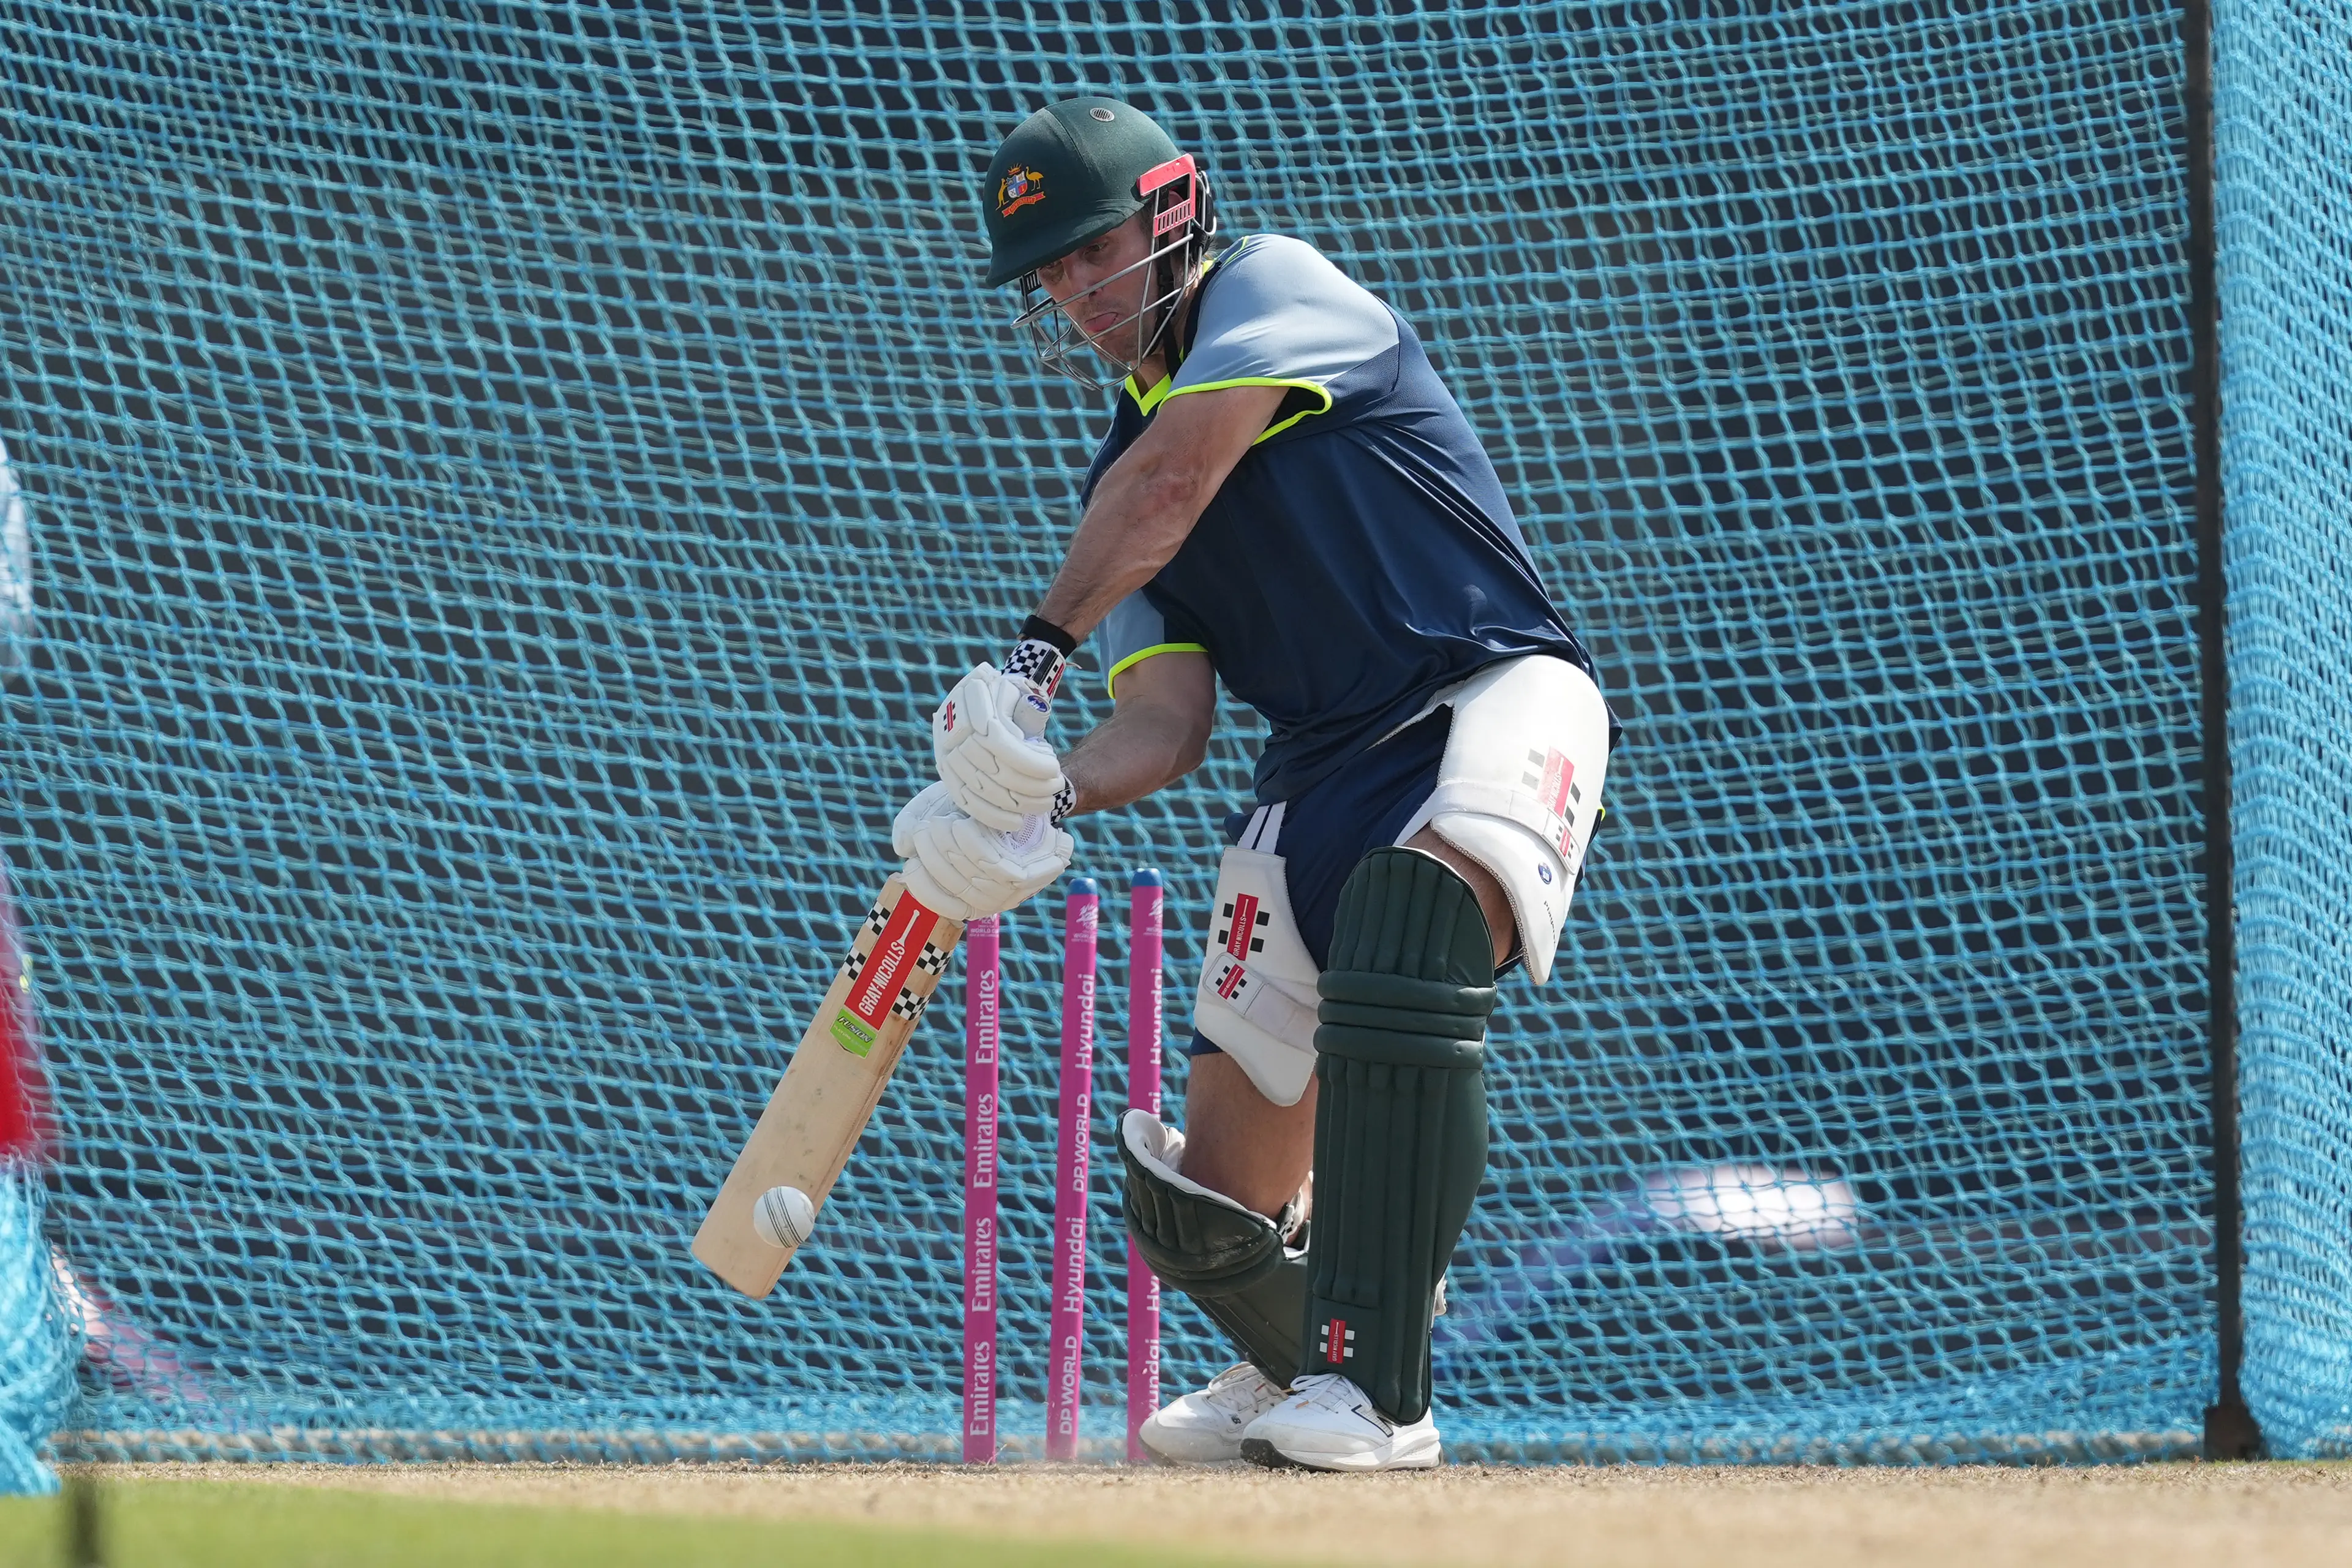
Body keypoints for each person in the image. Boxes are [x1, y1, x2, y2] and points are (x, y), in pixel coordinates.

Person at [892, 96, 1615, 1472]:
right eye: (1045, 274)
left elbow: (1177, 481)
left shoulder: (1277, 289)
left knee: (1410, 936)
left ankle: (1377, 1388)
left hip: (1490, 692)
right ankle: (1293, 1351)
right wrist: (1037, 800)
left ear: (1171, 216)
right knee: (1203, 1206)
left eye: (1086, 250)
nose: (1070, 292)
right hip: (1320, 765)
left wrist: (1029, 658)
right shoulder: (1119, 487)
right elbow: (1165, 725)